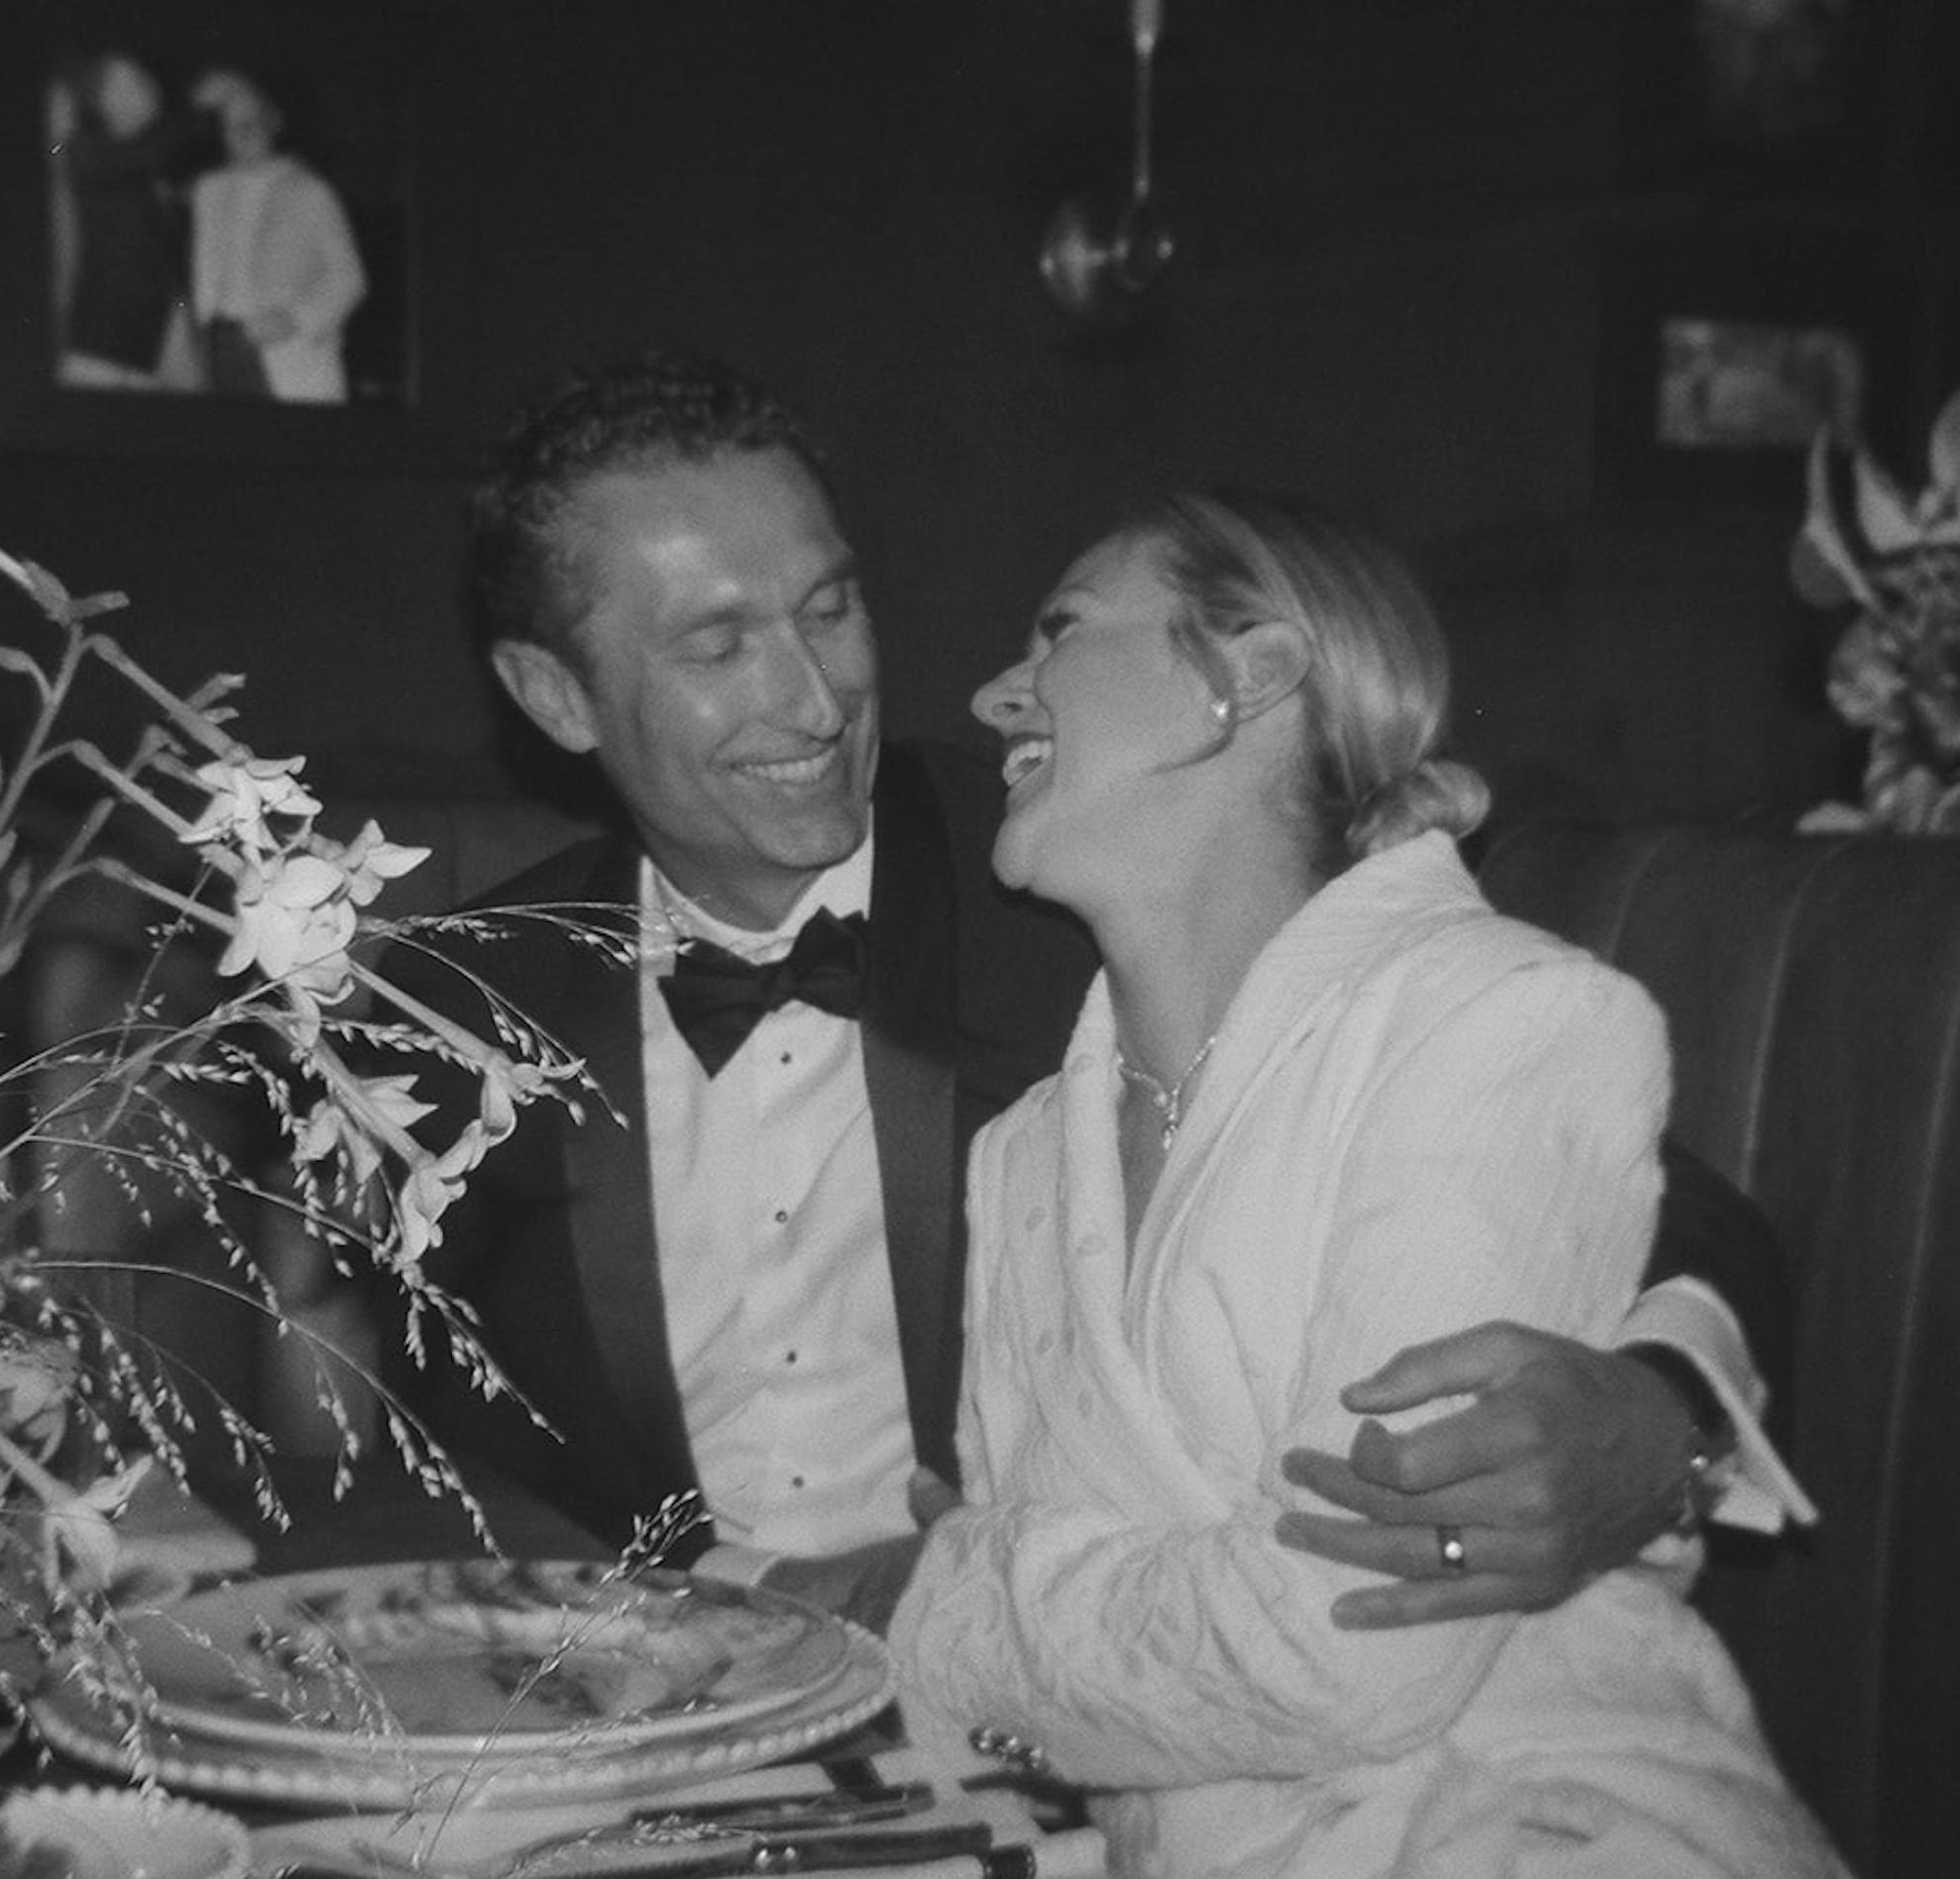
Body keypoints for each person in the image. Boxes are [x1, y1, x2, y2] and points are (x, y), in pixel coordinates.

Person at [373, 352, 1809, 1630]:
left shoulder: (1081, 879)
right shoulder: (458, 1012)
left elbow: (1632, 1176)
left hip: (1065, 1701)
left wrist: (1662, 1420)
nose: (814, 700)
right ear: (556, 697)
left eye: (829, 609)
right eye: (717, 644)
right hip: (660, 1721)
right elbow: (432, 1438)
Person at [884, 488, 1841, 1876]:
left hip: (1528, 1832)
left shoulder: (1499, 1016)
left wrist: (948, 1593)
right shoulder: (1023, 1151)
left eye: (1061, 630)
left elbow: (1342, 1642)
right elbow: (1047, 1692)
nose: (989, 694)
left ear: (1251, 671)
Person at [186, 69, 366, 405]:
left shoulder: (310, 191)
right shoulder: (207, 191)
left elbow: (350, 278)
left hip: (284, 354)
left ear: (275, 121)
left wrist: (295, 319)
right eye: (232, 122)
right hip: (216, 352)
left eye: (254, 118)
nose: (244, 130)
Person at [48, 48, 194, 391]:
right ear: (104, 98)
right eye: (134, 81)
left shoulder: (143, 168)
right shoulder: (85, 153)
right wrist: (210, 109)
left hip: (148, 344)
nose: (150, 87)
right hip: (97, 353)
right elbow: (162, 148)